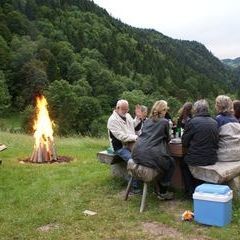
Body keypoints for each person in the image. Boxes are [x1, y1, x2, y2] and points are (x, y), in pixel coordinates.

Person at [132, 100, 175, 200]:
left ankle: (158, 187)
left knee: (163, 161)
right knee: (171, 163)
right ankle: (163, 192)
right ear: (163, 110)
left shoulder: (147, 121)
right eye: (166, 109)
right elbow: (167, 139)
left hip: (136, 153)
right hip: (149, 155)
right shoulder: (164, 122)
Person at [181, 99, 218, 198]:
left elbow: (184, 142)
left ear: (196, 110)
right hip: (212, 158)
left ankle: (190, 192)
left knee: (184, 163)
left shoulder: (192, 122)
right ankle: (198, 188)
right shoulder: (214, 122)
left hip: (196, 158)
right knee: (191, 161)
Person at [107, 99, 143, 192]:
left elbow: (133, 125)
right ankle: (134, 187)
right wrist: (135, 137)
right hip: (120, 147)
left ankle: (143, 180)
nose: (126, 111)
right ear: (117, 108)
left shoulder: (127, 115)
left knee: (143, 154)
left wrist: (138, 118)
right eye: (124, 109)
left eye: (127, 109)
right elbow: (121, 137)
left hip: (131, 143)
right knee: (133, 160)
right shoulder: (112, 120)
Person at [215, 95, 240, 162]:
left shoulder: (218, 119)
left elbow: (214, 139)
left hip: (224, 156)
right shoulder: (236, 120)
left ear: (218, 106)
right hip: (238, 154)